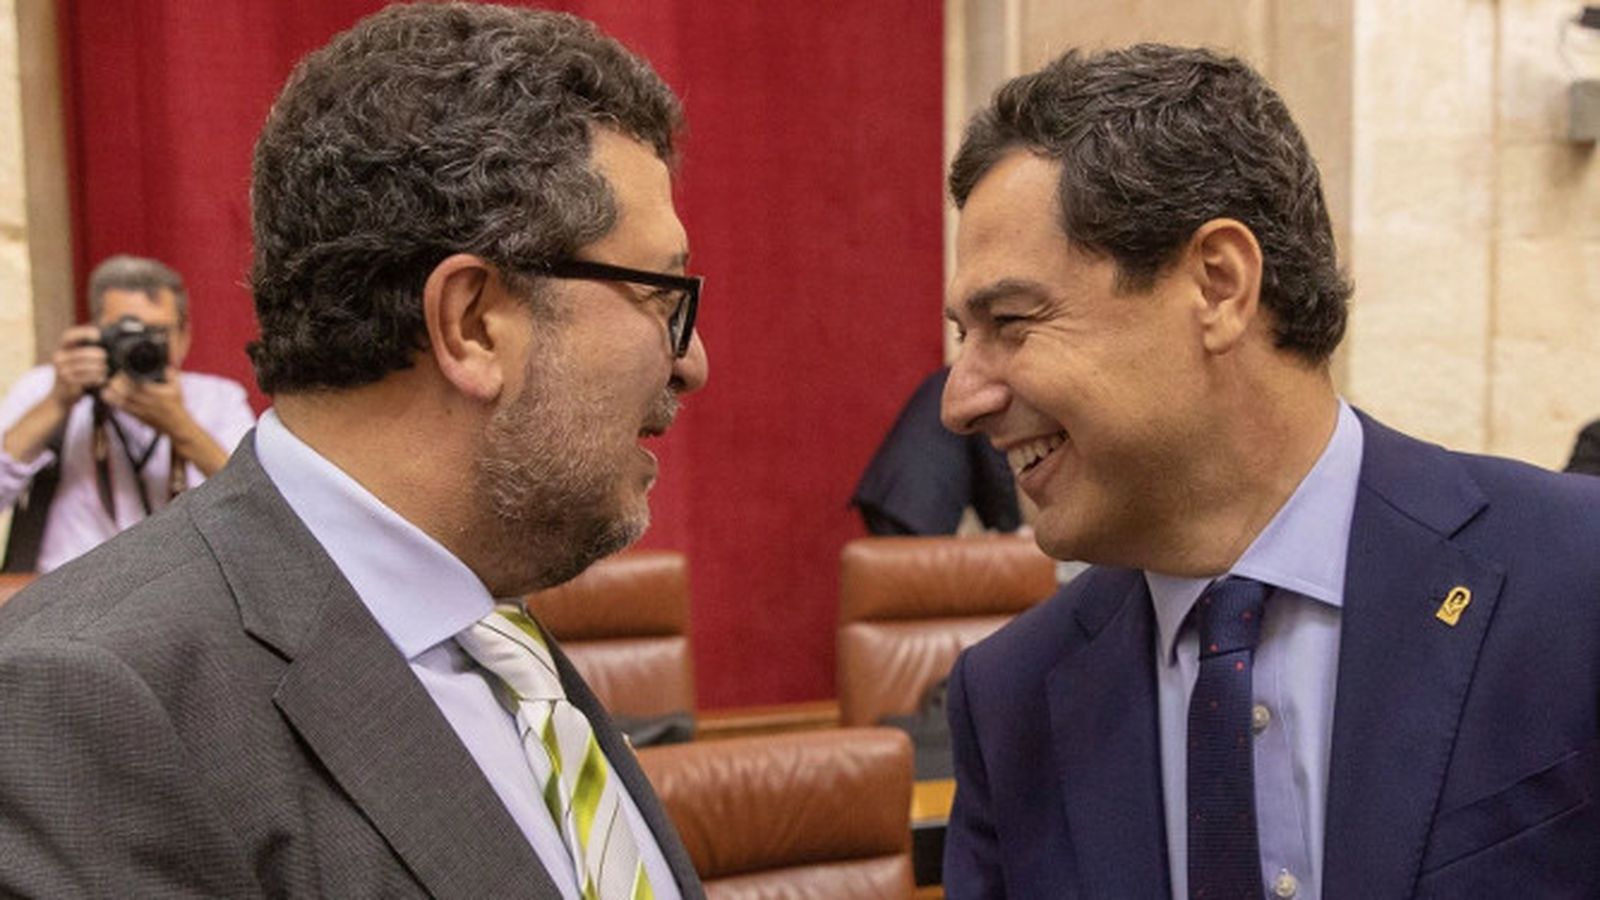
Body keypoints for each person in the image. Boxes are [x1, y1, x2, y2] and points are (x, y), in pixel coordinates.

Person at [0, 5, 708, 898]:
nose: (692, 361)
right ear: (473, 323)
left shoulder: (494, 636)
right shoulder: (88, 704)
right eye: (661, 296)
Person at [939, 45, 1600, 900]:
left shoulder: (1574, 579)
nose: (960, 401)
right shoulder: (1009, 703)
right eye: (965, 335)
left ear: (1219, 285)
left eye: (1011, 322)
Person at [0, 254, 254, 572]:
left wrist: (180, 426)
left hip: (178, 586)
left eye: (155, 333)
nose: (140, 345)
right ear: (95, 333)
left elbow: (258, 505)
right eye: (124, 333)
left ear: (184, 336)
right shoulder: (47, 387)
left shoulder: (217, 399)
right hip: (66, 587)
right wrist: (57, 403)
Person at [852, 366, 1021, 535]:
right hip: (917, 500)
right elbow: (993, 464)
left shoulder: (956, 379)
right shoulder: (983, 387)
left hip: (890, 493)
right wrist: (1012, 530)